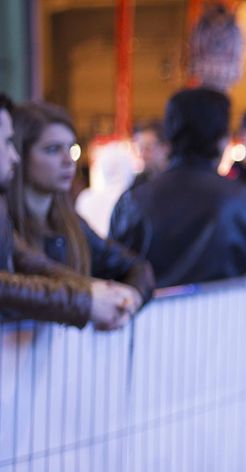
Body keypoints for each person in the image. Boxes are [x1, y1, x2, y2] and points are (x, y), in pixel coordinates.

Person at [109, 87, 246, 288]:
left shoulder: (132, 201)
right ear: (222, 140)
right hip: (227, 307)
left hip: (150, 308)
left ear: (169, 138)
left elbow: (112, 268)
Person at [8, 101, 154, 318]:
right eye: (52, 149)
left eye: (71, 149)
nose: (68, 161)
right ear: (19, 154)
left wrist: (128, 299)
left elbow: (137, 267)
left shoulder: (72, 223)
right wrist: (90, 301)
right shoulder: (6, 224)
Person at [128, 120, 170, 190]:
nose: (143, 155)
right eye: (140, 149)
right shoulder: (139, 182)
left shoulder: (178, 183)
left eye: (148, 148)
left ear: (165, 148)